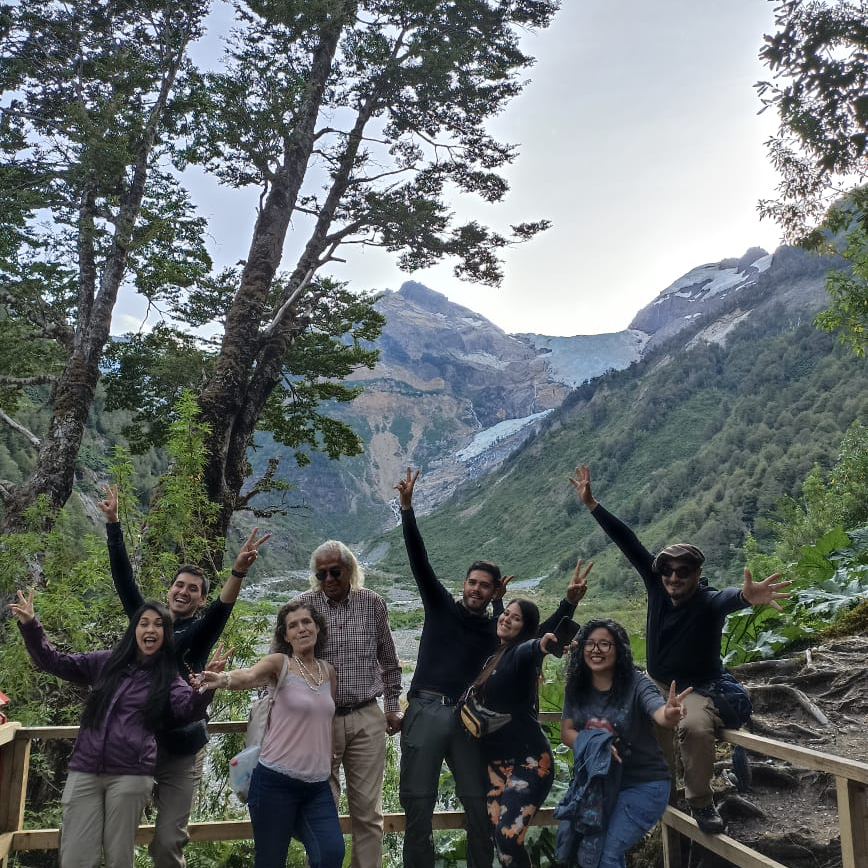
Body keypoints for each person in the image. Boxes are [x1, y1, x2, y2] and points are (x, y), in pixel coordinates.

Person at [569, 464, 790, 833]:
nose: (673, 577)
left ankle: (701, 802)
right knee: (645, 731)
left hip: (695, 688)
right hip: (654, 682)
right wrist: (592, 504)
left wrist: (748, 597)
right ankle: (660, 795)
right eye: (667, 570)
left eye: (682, 571)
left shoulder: (708, 601)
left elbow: (729, 599)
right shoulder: (656, 585)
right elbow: (628, 541)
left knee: (694, 729)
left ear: (695, 573)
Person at [396, 467, 586, 868]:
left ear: (494, 590)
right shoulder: (439, 607)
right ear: (463, 584)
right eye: (472, 582)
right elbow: (419, 560)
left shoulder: (496, 634)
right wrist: (408, 509)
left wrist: (569, 603)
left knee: (478, 805)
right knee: (417, 803)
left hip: (467, 720)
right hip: (426, 709)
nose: (476, 589)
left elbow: (540, 635)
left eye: (485, 585)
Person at [97, 484, 270, 868]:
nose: (183, 591)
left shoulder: (197, 633)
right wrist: (114, 524)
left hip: (183, 749)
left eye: (193, 589)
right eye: (179, 585)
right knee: (116, 835)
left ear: (199, 598)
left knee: (168, 842)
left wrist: (238, 571)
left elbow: (220, 612)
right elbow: (124, 580)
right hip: (137, 742)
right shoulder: (148, 624)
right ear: (169, 589)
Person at [9, 590, 213, 868]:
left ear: (166, 634)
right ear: (134, 630)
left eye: (158, 625)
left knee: (119, 858)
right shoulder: (105, 662)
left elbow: (187, 708)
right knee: (75, 858)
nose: (150, 629)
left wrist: (203, 689)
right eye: (144, 623)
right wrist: (32, 625)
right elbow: (54, 661)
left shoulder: (168, 677)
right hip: (85, 770)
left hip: (130, 775)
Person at [201, 600, 344, 868]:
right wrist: (224, 680)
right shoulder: (281, 664)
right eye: (293, 625)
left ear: (317, 628)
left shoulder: (329, 673)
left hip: (317, 787)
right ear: (286, 635)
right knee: (270, 861)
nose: (301, 629)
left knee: (330, 854)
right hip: (275, 783)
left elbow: (326, 721)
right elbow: (250, 675)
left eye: (306, 622)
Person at [294, 540, 402, 868]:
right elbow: (278, 662)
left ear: (350, 570)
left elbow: (389, 659)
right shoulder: (301, 607)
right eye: (321, 573)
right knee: (319, 809)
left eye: (335, 571)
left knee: (368, 813)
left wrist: (393, 705)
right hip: (318, 721)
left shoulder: (373, 604)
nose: (328, 578)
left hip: (366, 716)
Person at [559, 619, 691, 868]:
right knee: (588, 853)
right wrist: (596, 743)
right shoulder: (576, 687)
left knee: (608, 853)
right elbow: (567, 733)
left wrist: (669, 713)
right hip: (600, 787)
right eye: (590, 643)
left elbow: (658, 711)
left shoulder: (636, 683)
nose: (596, 650)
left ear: (619, 650)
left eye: (605, 644)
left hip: (644, 784)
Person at [474, 597, 585, 868]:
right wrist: (498, 600)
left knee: (509, 839)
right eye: (505, 614)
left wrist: (541, 645)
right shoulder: (496, 654)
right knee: (499, 842)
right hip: (497, 765)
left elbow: (532, 649)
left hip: (530, 762)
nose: (506, 619)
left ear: (526, 628)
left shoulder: (522, 655)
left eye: (516, 617)